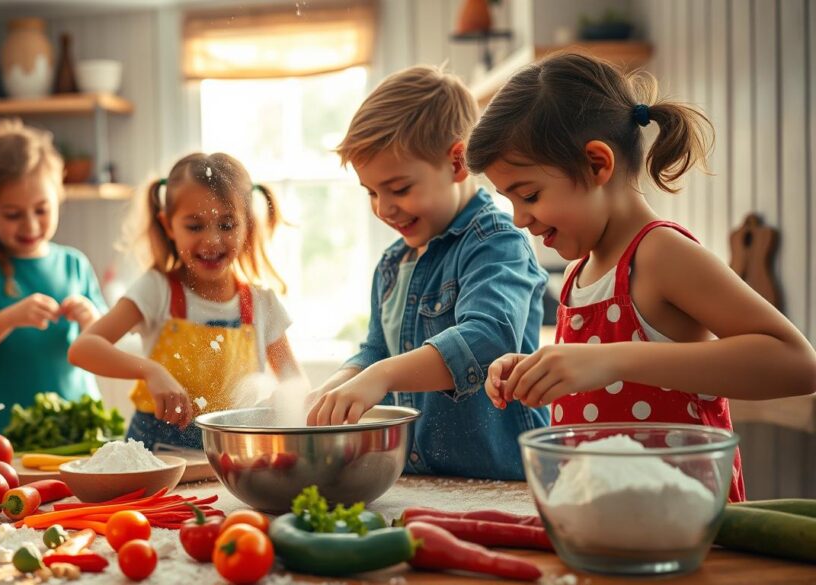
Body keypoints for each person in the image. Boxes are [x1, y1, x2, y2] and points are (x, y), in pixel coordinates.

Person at [471, 52, 816, 501]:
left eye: (530, 195)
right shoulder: (580, 272)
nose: (520, 219)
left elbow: (796, 364)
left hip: (686, 530)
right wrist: (533, 371)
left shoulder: (660, 254)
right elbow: (599, 373)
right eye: (509, 201)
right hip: (604, 524)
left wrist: (613, 359)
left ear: (597, 164)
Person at [306, 65, 550, 480]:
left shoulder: (497, 242)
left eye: (399, 189)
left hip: (504, 481)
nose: (384, 208)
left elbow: (488, 338)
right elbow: (377, 350)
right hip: (424, 478)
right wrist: (340, 385)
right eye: (372, 192)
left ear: (456, 163)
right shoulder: (391, 264)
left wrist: (380, 377)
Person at [69, 153, 302, 449]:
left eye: (227, 225)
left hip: (230, 461)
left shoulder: (262, 304)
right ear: (168, 225)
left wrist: (281, 400)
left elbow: (296, 383)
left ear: (248, 226)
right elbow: (83, 349)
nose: (212, 240)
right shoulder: (156, 290)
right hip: (156, 460)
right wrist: (150, 370)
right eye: (195, 226)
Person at [0, 119, 106, 434]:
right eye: (12, 214)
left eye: (41, 210)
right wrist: (8, 318)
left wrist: (92, 320)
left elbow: (106, 344)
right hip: (6, 434)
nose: (31, 225)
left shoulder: (74, 264)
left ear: (58, 197)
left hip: (83, 428)